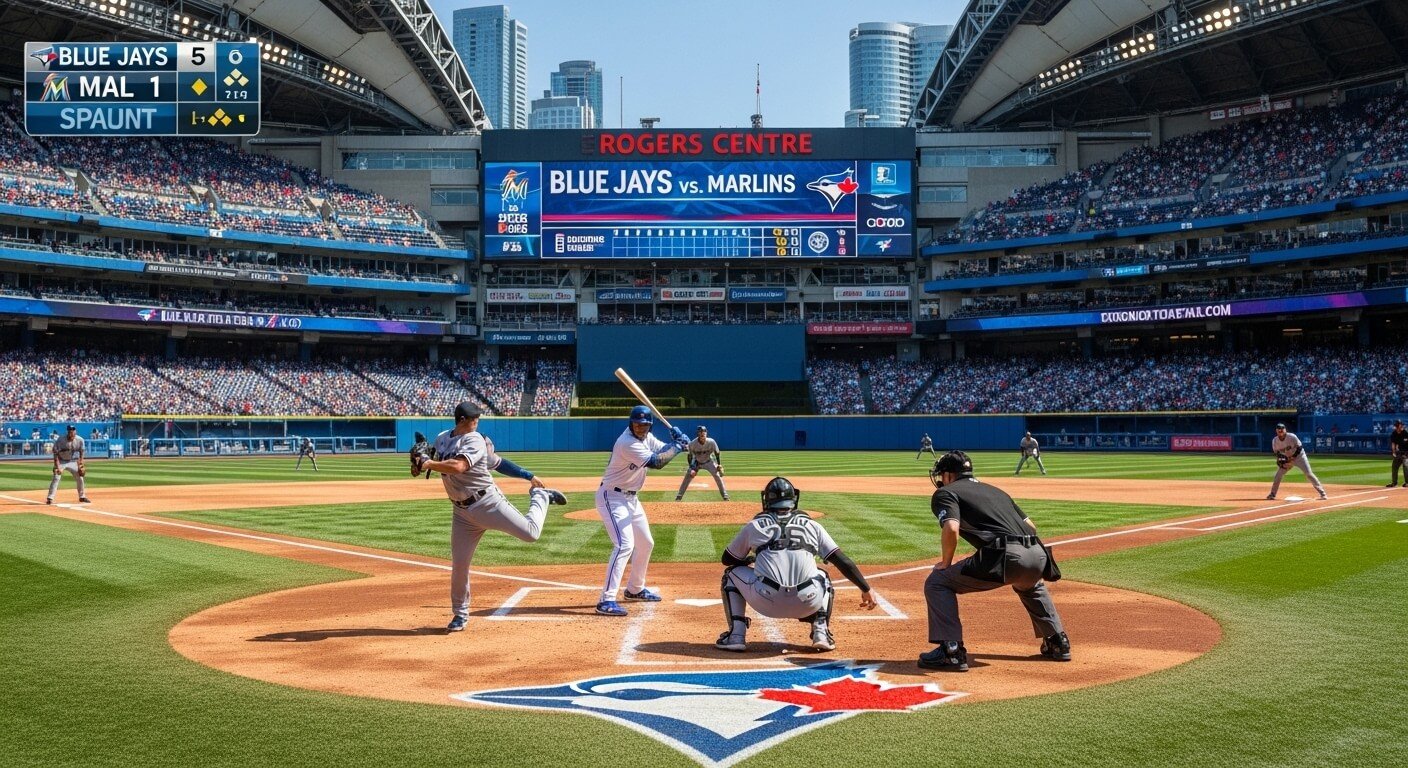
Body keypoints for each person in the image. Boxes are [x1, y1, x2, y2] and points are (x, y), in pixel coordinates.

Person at [413, 402, 566, 632]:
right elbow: (420, 470)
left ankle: (541, 497)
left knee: (531, 533)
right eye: (475, 418)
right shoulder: (443, 438)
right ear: (463, 419)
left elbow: (459, 466)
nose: (477, 422)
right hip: (462, 514)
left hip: (488, 503)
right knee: (460, 564)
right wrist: (417, 462)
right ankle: (460, 615)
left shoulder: (475, 440)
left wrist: (529, 476)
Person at [920, 451, 1069, 672]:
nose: (940, 479)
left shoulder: (946, 493)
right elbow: (1031, 527)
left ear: (949, 475)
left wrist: (946, 562)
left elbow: (951, 528)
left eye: (942, 475)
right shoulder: (996, 490)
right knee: (1030, 584)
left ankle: (951, 651)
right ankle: (1057, 641)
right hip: (1038, 554)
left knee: (937, 582)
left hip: (1007, 556)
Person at [716, 477, 876, 652]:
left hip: (765, 601)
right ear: (794, 499)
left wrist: (749, 559)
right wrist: (866, 589)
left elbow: (728, 559)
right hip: (807, 602)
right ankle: (821, 632)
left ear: (767, 500)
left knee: (730, 574)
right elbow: (842, 561)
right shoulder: (813, 526)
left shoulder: (754, 526)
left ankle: (736, 635)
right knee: (823, 575)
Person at [595, 405, 688, 616]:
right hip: (612, 496)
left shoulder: (647, 437)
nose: (640, 428)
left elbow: (665, 450)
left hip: (631, 498)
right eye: (637, 424)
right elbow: (657, 462)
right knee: (624, 545)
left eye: (644, 425)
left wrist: (679, 441)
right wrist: (678, 445)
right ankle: (606, 600)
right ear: (631, 423)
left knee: (646, 543)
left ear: (649, 426)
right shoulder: (626, 442)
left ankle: (635, 589)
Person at [1268, 422, 1327, 500]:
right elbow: (1277, 453)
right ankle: (1272, 494)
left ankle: (1323, 493)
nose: (1281, 431)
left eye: (1282, 429)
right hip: (1288, 459)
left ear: (1285, 430)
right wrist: (1281, 460)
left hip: (1300, 457)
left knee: (1308, 474)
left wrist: (1293, 457)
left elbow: (1299, 447)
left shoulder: (1292, 437)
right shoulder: (1275, 440)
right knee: (1278, 475)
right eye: (1279, 430)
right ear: (1276, 431)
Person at [676, 425, 729, 501]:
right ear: (698, 434)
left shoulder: (711, 442)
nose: (702, 433)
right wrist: (691, 468)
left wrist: (719, 464)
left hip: (708, 461)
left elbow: (717, 453)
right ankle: (679, 496)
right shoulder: (692, 444)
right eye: (700, 432)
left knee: (717, 476)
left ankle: (725, 496)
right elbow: (690, 456)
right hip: (697, 463)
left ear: (706, 433)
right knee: (688, 476)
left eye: (704, 432)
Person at [47, 424, 90, 505]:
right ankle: (50, 498)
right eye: (70, 431)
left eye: (73, 431)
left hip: (73, 461)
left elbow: (82, 452)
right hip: (62, 461)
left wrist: (81, 464)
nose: (72, 432)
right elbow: (55, 453)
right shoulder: (61, 440)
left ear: (75, 432)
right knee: (56, 477)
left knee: (80, 478)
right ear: (68, 432)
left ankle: (82, 497)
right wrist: (57, 466)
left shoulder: (80, 440)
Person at [1390, 420, 1408, 488]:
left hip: (1406, 453)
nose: (1401, 426)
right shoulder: (1394, 434)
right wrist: (1394, 452)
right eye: (1399, 425)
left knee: (1405, 466)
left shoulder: (1406, 433)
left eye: (1401, 425)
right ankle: (1394, 483)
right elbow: (1393, 443)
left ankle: (1407, 482)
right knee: (1394, 466)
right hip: (1399, 453)